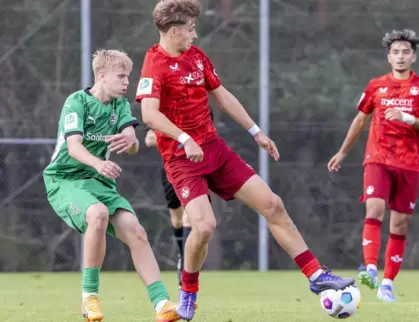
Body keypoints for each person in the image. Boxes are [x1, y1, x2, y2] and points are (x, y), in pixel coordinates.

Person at [136, 0, 354, 320]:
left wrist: (256, 132)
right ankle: (188, 293)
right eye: (190, 29)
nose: (195, 34)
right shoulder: (154, 64)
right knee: (205, 225)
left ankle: (316, 276)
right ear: (172, 31)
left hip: (215, 150)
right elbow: (148, 114)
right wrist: (184, 139)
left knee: (273, 204)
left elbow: (222, 96)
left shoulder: (197, 57)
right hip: (182, 160)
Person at [43, 49, 181, 322]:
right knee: (97, 214)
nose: (126, 82)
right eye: (121, 76)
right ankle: (89, 298)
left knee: (136, 231)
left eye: (128, 76)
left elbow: (131, 140)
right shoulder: (77, 102)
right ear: (102, 76)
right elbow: (73, 147)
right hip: (65, 180)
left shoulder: (120, 105)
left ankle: (162, 304)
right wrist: (98, 163)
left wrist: (131, 141)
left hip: (99, 183)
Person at [327, 29, 419, 302]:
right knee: (374, 208)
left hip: (408, 163)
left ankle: (387, 283)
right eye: (395, 52)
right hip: (377, 158)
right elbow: (360, 120)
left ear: (413, 57)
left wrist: (407, 117)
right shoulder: (376, 85)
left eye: (405, 52)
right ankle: (369, 268)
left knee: (399, 225)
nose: (400, 57)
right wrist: (343, 152)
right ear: (388, 57)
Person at [144, 109, 214, 289]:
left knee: (189, 217)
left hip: (195, 169)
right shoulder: (162, 110)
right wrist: (179, 138)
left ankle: (185, 267)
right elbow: (149, 139)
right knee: (176, 218)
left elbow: (209, 135)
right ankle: (182, 255)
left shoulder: (201, 107)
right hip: (171, 169)